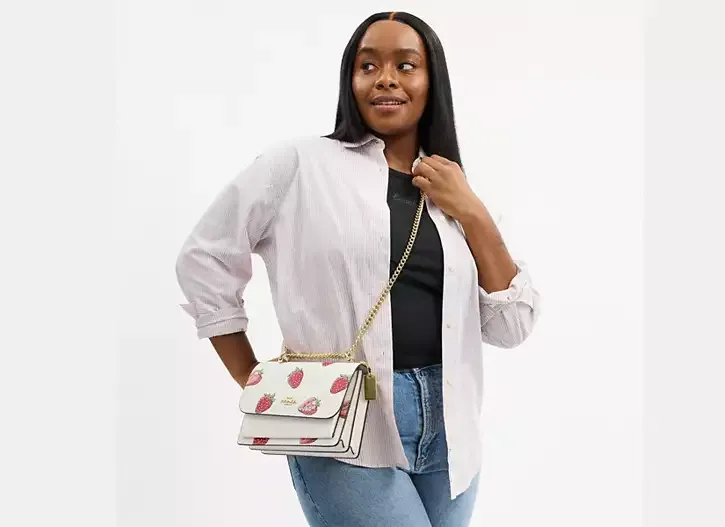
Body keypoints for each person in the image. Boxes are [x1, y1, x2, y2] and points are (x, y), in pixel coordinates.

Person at [175, 10, 541, 527]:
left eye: (405, 65)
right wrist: (250, 376)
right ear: (350, 81)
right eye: (368, 66)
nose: (385, 78)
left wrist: (474, 213)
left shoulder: (452, 189)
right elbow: (205, 257)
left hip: (452, 427)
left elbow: (511, 326)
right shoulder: (300, 164)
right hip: (342, 419)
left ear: (432, 80)